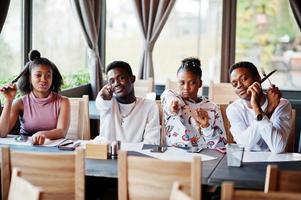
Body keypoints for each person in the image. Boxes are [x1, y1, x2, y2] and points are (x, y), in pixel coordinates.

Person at [0, 50, 70, 145]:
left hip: (53, 151)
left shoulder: (63, 102)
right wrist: (9, 100)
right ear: (29, 78)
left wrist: (43, 134)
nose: (43, 80)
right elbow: (2, 133)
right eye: (38, 75)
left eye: (48, 76)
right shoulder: (20, 103)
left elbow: (62, 131)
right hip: (24, 149)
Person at [226, 61, 292, 153]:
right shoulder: (234, 109)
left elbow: (278, 148)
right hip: (246, 163)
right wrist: (269, 110)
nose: (239, 86)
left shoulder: (282, 105)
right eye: (234, 84)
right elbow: (244, 145)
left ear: (258, 79)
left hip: (274, 164)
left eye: (244, 79)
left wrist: (256, 108)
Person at [161, 58, 226, 148]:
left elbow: (221, 146)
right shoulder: (172, 99)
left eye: (192, 83)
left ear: (200, 83)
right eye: (182, 83)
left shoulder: (212, 107)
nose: (186, 87)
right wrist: (172, 107)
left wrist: (206, 126)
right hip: (175, 155)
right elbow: (167, 97)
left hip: (204, 156)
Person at [95, 61, 160, 144]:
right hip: (108, 155)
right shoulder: (108, 103)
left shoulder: (149, 106)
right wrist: (103, 96)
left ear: (132, 79)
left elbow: (151, 142)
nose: (116, 84)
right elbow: (100, 103)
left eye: (121, 78)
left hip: (136, 156)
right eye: (112, 81)